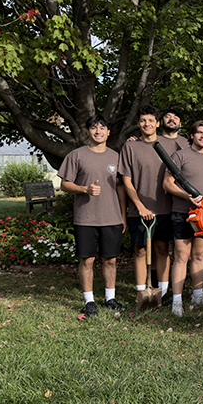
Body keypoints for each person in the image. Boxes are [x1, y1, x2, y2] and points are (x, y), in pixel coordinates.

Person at [59, 115, 126, 316]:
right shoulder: (76, 155)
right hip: (85, 218)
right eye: (94, 128)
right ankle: (89, 301)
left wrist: (123, 215)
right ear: (88, 131)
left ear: (108, 132)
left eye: (102, 128)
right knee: (87, 260)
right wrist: (84, 189)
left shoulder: (117, 157)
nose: (98, 131)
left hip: (112, 217)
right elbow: (64, 184)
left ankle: (110, 298)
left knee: (110, 260)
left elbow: (122, 189)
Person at [163, 120, 203, 317]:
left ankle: (198, 294)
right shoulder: (180, 156)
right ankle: (177, 301)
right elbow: (167, 184)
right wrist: (185, 196)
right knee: (181, 257)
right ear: (191, 135)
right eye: (199, 133)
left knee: (199, 256)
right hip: (183, 214)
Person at [119, 105, 176, 303]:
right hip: (139, 210)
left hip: (164, 208)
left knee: (162, 249)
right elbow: (126, 181)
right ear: (138, 124)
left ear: (158, 123)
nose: (147, 124)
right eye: (143, 121)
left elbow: (196, 152)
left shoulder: (171, 146)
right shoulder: (130, 147)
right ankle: (141, 292)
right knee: (140, 250)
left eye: (151, 120)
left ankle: (164, 292)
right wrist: (140, 206)